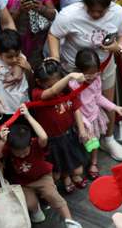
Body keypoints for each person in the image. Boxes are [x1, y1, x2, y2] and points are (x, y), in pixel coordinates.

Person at [47, 0, 122, 161]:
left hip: (103, 66)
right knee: (76, 109)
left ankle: (108, 138)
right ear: (84, 3)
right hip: (73, 70)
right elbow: (54, 34)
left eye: (100, 12)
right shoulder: (69, 15)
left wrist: (118, 47)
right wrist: (55, 58)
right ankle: (78, 148)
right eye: (91, 10)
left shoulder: (118, 14)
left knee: (107, 100)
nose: (95, 14)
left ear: (109, 6)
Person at [0, 105, 84, 228]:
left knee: (53, 196)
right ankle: (36, 210)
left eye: (25, 152)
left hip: (42, 177)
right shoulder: (8, 148)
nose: (22, 156)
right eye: (18, 154)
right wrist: (2, 141)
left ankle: (71, 223)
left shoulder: (36, 144)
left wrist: (28, 116)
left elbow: (44, 136)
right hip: (23, 182)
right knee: (31, 205)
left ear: (30, 143)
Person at [70, 49, 122, 180]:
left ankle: (93, 162)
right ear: (79, 71)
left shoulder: (96, 80)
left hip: (94, 116)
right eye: (88, 75)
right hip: (81, 120)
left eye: (95, 73)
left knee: (95, 140)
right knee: (80, 143)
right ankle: (81, 165)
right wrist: (84, 123)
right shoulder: (73, 85)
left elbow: (98, 97)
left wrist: (115, 107)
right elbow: (75, 107)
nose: (92, 77)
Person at [30, 60, 88, 193]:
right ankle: (65, 177)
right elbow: (52, 91)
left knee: (78, 168)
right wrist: (70, 76)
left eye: (59, 82)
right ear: (39, 82)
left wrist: (82, 129)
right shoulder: (37, 94)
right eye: (51, 84)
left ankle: (70, 175)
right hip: (53, 141)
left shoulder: (66, 90)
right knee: (56, 171)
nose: (58, 88)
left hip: (69, 135)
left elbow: (76, 108)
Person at [0, 29, 31, 116]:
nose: (14, 59)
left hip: (23, 106)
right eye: (9, 57)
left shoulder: (22, 58)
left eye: (17, 54)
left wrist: (28, 68)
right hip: (4, 110)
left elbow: (29, 77)